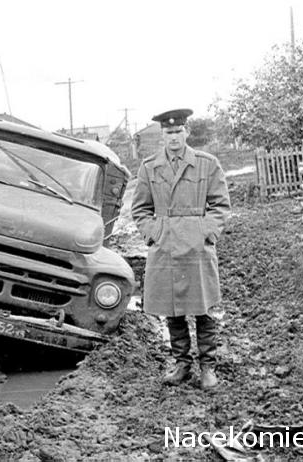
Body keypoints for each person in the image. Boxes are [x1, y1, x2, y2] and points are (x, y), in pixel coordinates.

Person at [131, 108, 231, 389]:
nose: (173, 137)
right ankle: (182, 364)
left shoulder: (207, 164)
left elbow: (221, 206)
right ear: (161, 135)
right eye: (168, 132)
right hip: (165, 248)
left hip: (197, 248)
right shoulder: (149, 167)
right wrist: (155, 233)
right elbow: (139, 209)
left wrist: (205, 232)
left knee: (204, 308)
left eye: (178, 131)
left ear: (186, 132)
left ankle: (208, 367)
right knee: (171, 308)